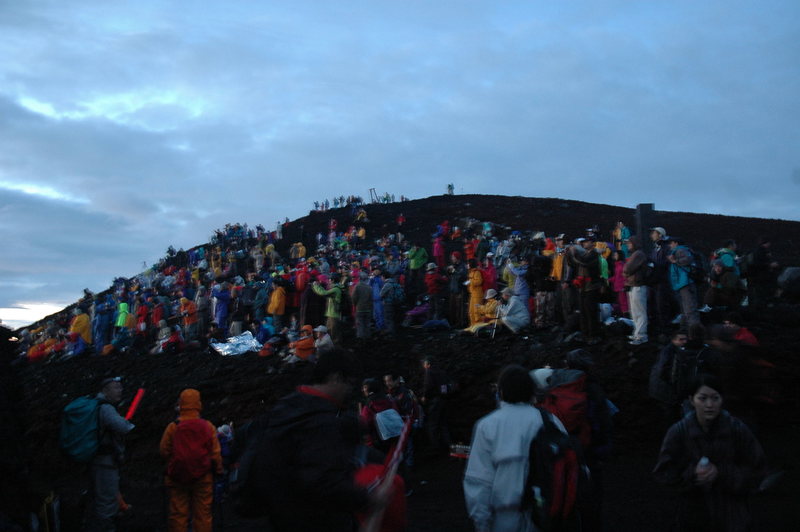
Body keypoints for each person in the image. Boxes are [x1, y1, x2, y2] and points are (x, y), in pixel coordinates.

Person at [249, 349, 391, 531]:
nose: (349, 391)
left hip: (279, 516)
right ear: (335, 378)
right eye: (349, 383)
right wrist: (369, 498)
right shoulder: (320, 420)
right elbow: (323, 483)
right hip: (313, 519)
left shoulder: (286, 406)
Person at [653, 375, 766, 532]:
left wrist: (722, 473)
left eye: (715, 398)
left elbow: (757, 468)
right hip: (693, 514)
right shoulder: (679, 433)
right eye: (703, 398)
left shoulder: (737, 430)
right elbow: (664, 472)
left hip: (733, 515)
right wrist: (692, 474)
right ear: (692, 400)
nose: (709, 405)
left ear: (722, 400)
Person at [463, 365, 551, 532]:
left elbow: (478, 481)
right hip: (544, 515)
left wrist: (482, 523)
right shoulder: (549, 421)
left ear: (501, 392)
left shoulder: (488, 426)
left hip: (504, 519)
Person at [159, 389, 223, 532]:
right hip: (203, 477)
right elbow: (215, 452)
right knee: (203, 514)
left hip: (177, 477)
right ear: (198, 404)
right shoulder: (208, 426)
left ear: (180, 404)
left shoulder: (173, 427)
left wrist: (172, 463)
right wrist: (218, 471)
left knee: (178, 514)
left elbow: (164, 450)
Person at [86, 377, 135, 532]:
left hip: (97, 459)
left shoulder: (96, 405)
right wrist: (130, 425)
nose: (120, 390)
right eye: (116, 387)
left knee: (102, 495)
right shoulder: (105, 408)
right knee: (106, 500)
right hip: (104, 461)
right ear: (105, 390)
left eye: (120, 387)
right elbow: (123, 427)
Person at [420, 356, 452, 457]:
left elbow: (428, 385)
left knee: (432, 424)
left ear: (427, 364)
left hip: (435, 401)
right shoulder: (442, 372)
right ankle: (449, 446)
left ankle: (435, 448)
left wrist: (425, 396)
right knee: (443, 424)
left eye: (424, 365)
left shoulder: (429, 372)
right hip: (444, 400)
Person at [667, 237, 700, 331]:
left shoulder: (681, 250)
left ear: (676, 243)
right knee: (685, 310)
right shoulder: (679, 251)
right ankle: (686, 331)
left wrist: (675, 261)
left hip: (685, 283)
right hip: (681, 284)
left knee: (689, 309)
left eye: (671, 243)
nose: (670, 245)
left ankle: (694, 332)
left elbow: (688, 259)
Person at [623, 236, 649, 345]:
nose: (628, 245)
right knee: (634, 312)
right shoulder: (635, 254)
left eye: (629, 243)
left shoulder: (638, 254)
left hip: (638, 285)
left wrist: (626, 272)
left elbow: (627, 269)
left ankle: (641, 335)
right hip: (634, 285)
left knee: (640, 312)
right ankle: (637, 333)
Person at [313, 274, 344, 344]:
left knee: (333, 333)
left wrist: (315, 285)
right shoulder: (336, 288)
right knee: (329, 331)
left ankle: (334, 348)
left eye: (330, 280)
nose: (328, 281)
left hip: (334, 314)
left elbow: (323, 293)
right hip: (331, 313)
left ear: (332, 280)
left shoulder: (336, 289)